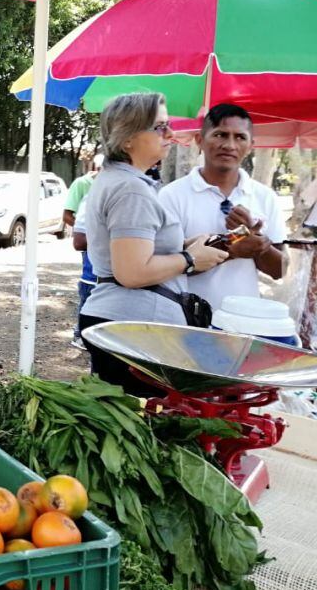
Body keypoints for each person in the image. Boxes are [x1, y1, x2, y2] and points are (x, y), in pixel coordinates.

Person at [78, 92, 228, 395]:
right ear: (127, 139)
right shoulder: (131, 189)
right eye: (160, 127)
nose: (170, 134)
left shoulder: (121, 181)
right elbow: (131, 272)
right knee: (142, 417)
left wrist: (187, 246)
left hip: (126, 323)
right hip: (134, 327)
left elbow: (136, 250)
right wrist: (190, 259)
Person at [159, 104, 286, 310]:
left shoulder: (265, 197)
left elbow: (280, 270)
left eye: (240, 137)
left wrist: (258, 243)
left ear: (251, 145)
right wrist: (231, 248)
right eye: (220, 135)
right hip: (185, 318)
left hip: (243, 318)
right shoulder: (172, 196)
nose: (229, 145)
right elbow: (161, 267)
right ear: (199, 140)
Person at [63, 154, 103, 350]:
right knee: (89, 289)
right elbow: (68, 218)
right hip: (92, 252)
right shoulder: (84, 187)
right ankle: (81, 334)